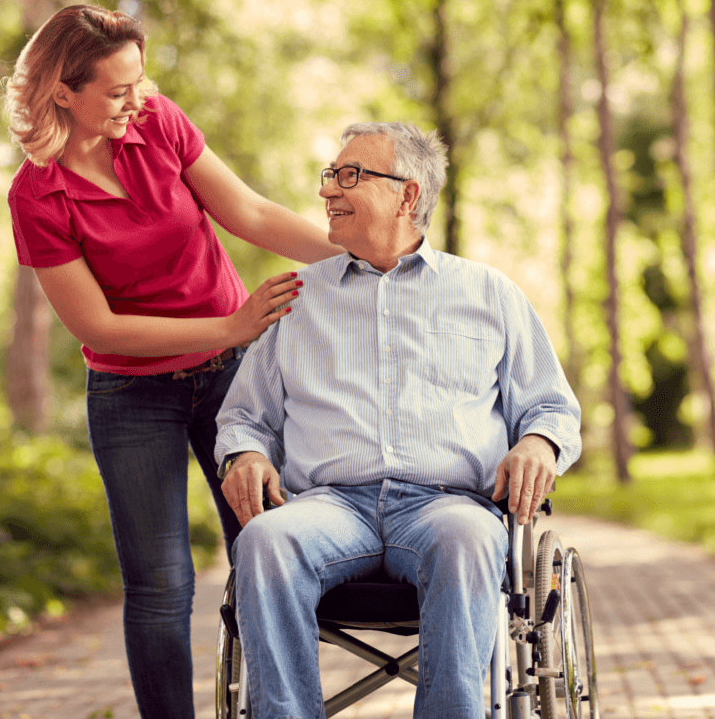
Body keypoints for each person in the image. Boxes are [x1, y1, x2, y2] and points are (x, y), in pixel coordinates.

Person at [3, 4, 343, 719]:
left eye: (140, 79)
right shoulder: (37, 195)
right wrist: (231, 323)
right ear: (63, 91)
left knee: (269, 548)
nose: (140, 96)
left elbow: (247, 211)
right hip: (132, 396)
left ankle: (282, 708)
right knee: (161, 584)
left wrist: (359, 254)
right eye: (118, 88)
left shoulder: (157, 121)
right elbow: (96, 325)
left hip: (231, 379)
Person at [215, 121, 582, 718]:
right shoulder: (297, 298)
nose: (327, 190)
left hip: (447, 505)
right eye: (330, 174)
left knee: (466, 539)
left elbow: (551, 405)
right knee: (264, 541)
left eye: (349, 175)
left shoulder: (488, 294)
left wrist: (539, 442)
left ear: (407, 194)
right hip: (330, 506)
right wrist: (247, 453)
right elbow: (245, 417)